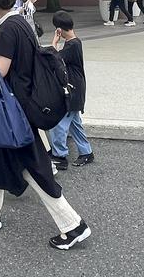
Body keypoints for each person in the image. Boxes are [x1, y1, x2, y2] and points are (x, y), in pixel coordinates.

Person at [0, 0, 90, 250]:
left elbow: (0, 70)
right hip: (21, 106)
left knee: (35, 168)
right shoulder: (19, 21)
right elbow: (17, 55)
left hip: (15, 110)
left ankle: (73, 225)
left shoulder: (8, 27)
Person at [48, 11, 93, 170]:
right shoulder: (74, 42)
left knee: (59, 123)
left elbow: (53, 58)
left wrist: (54, 41)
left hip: (72, 89)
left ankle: (59, 156)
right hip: (76, 87)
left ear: (59, 29)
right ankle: (86, 152)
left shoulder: (72, 45)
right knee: (74, 123)